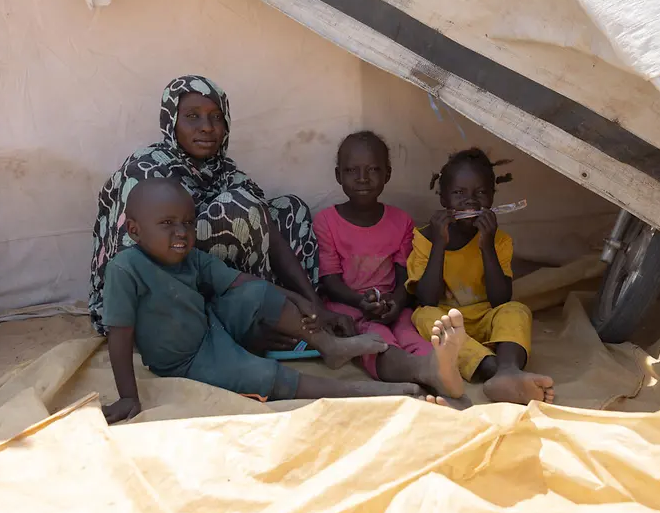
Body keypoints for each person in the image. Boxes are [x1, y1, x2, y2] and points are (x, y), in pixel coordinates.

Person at [101, 178, 470, 423]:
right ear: (133, 229)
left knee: (258, 291)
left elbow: (242, 281)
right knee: (265, 377)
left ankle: (330, 346)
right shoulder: (126, 270)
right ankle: (366, 391)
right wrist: (128, 397)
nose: (181, 232)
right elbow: (119, 337)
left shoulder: (190, 257)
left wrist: (301, 300)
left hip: (212, 325)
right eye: (167, 224)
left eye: (187, 222)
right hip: (188, 359)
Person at [90, 75, 352, 344]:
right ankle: (243, 321)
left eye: (216, 117)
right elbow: (130, 264)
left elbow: (270, 234)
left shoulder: (224, 171)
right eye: (192, 116)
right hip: (157, 297)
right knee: (236, 207)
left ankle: (298, 312)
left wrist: (316, 304)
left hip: (222, 278)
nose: (207, 127)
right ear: (171, 123)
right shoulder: (145, 171)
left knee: (289, 209)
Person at [315, 132, 470, 408]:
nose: (362, 178)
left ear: (387, 174)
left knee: (412, 334)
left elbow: (404, 278)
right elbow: (330, 281)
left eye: (373, 169)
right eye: (352, 170)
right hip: (349, 306)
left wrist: (397, 303)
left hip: (391, 304)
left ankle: (438, 371)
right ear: (338, 175)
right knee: (379, 343)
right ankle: (424, 374)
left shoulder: (401, 221)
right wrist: (360, 302)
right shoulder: (327, 221)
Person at [407, 148, 555, 405]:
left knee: (516, 310)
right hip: (446, 317)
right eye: (458, 193)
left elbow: (500, 299)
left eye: (481, 193)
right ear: (442, 197)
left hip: (486, 315)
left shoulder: (498, 240)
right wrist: (439, 245)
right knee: (422, 316)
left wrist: (486, 246)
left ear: (493, 197)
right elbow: (426, 298)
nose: (470, 202)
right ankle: (497, 372)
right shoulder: (425, 238)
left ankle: (509, 369)